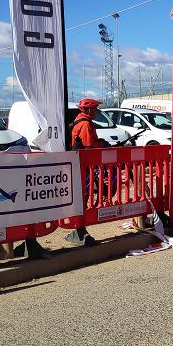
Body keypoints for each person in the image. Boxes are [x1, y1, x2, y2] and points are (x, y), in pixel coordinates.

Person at [68, 97, 109, 246]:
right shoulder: (85, 124)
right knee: (84, 192)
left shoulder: (81, 121)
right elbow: (89, 145)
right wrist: (102, 146)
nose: (97, 111)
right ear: (89, 110)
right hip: (83, 164)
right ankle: (80, 223)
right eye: (95, 109)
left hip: (81, 163)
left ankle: (80, 221)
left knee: (85, 191)